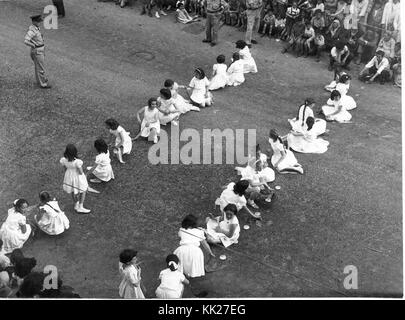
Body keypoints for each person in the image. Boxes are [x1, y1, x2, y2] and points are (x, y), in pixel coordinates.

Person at [60, 144, 92, 213]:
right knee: (83, 190)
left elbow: (65, 169)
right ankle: (80, 206)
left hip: (69, 176)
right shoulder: (77, 162)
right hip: (77, 177)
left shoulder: (64, 160)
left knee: (72, 190)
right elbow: (80, 172)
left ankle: (76, 203)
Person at [24, 15, 51, 89]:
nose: (40, 23)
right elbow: (26, 41)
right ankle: (43, 84)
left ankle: (40, 80)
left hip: (39, 50)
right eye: (38, 21)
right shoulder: (32, 30)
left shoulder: (36, 28)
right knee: (40, 68)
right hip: (37, 51)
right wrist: (33, 45)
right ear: (34, 22)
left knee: (38, 66)